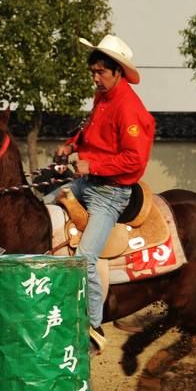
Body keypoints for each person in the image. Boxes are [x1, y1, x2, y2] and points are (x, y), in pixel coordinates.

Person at [48, 34, 155, 353]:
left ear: (118, 71)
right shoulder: (102, 97)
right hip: (87, 182)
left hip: (111, 193)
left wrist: (90, 165)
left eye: (100, 72)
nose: (95, 77)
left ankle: (92, 326)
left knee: (85, 257)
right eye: (93, 71)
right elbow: (90, 132)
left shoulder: (129, 108)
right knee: (39, 209)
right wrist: (72, 145)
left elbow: (134, 159)